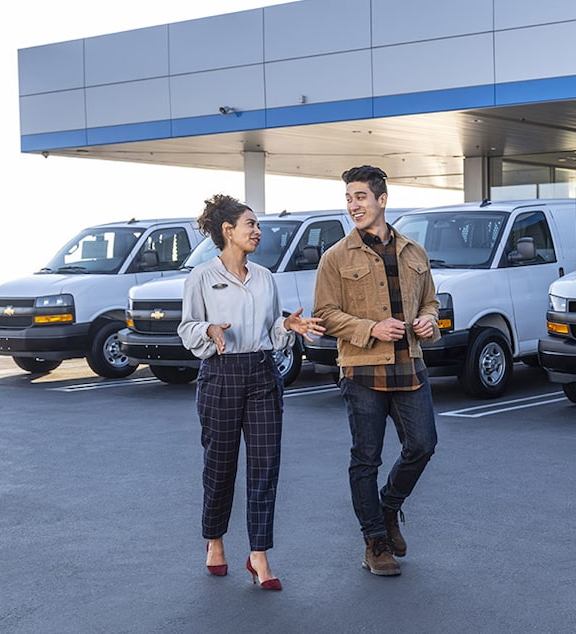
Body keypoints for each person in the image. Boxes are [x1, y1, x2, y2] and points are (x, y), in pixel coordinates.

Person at [178, 194, 325, 591]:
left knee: (264, 468)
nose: (258, 231)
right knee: (220, 467)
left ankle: (259, 554)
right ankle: (215, 542)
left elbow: (271, 335)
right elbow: (187, 327)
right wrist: (208, 331)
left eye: (257, 225)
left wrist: (288, 328)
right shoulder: (202, 277)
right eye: (251, 225)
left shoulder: (264, 277)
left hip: (262, 374)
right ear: (228, 231)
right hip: (220, 375)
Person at [313, 165, 441, 577]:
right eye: (349, 198)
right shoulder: (335, 257)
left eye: (360, 197)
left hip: (409, 365)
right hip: (362, 369)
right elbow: (325, 314)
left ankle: (388, 508)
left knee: (423, 444)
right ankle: (375, 542)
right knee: (365, 459)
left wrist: (428, 322)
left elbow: (430, 303)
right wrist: (371, 328)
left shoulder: (414, 252)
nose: (353, 205)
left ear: (381, 200)